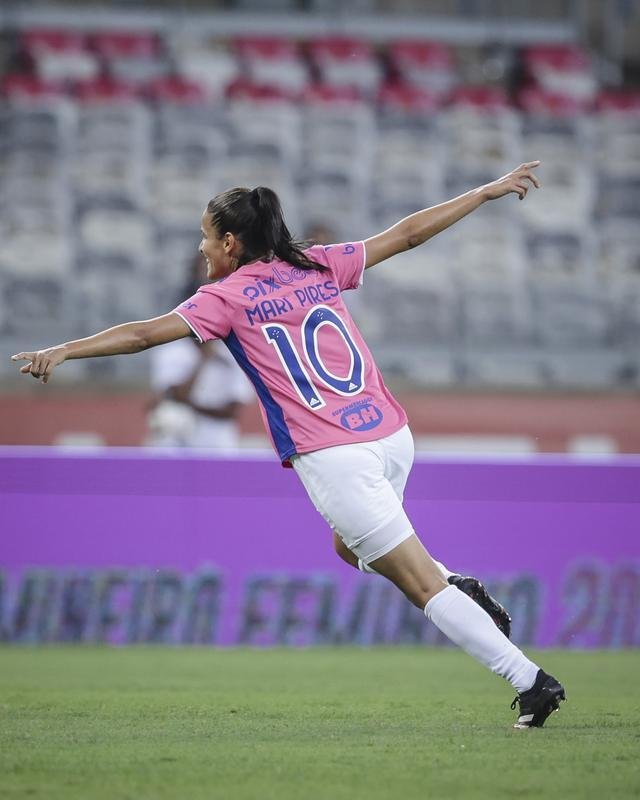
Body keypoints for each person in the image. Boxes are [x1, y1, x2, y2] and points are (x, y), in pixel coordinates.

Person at [12, 161, 565, 729]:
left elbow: (143, 334)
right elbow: (406, 234)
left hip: (333, 453)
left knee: (417, 585)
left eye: (206, 236)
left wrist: (65, 351)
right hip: (390, 433)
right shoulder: (315, 262)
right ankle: (456, 585)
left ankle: (530, 681)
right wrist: (485, 191)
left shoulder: (225, 297)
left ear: (230, 241)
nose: (202, 248)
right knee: (349, 551)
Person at [147, 254, 254, 449]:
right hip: (177, 443)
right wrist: (203, 359)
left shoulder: (236, 350)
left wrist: (191, 405)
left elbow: (232, 410)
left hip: (218, 444)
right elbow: (173, 396)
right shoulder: (172, 350)